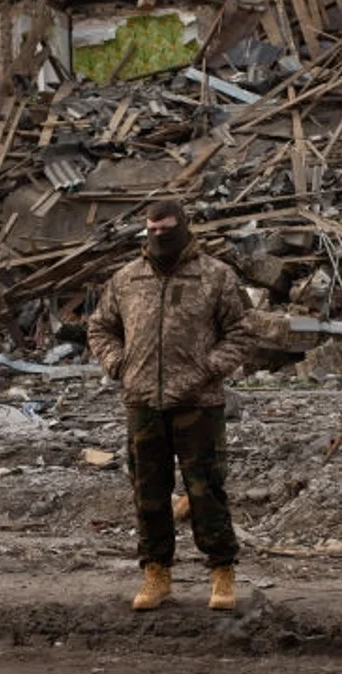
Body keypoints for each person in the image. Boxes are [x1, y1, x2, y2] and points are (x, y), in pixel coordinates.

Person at [87, 199, 254, 611]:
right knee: (148, 493)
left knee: (206, 490)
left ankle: (222, 573)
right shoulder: (127, 279)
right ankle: (156, 574)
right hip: (142, 400)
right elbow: (100, 327)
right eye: (152, 230)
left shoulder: (215, 276)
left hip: (198, 401)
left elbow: (241, 331)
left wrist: (209, 368)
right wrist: (116, 363)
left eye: (166, 228)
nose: (159, 236)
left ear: (183, 226)